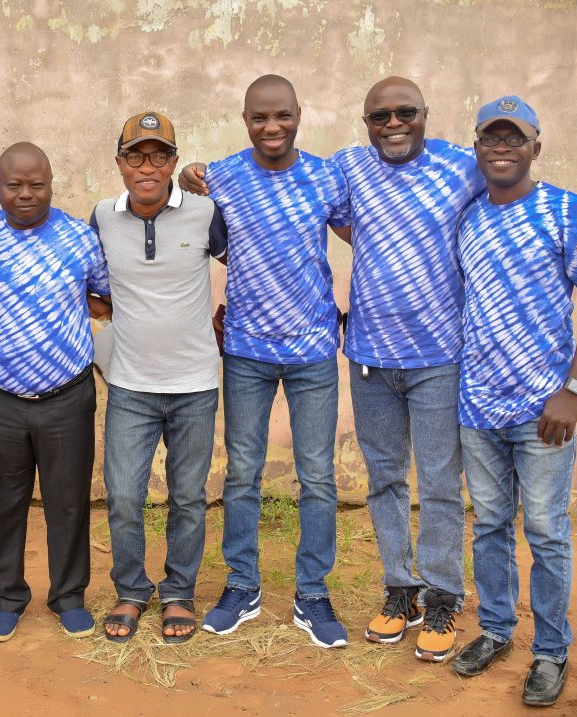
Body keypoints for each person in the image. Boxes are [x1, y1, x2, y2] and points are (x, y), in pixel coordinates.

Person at [182, 77, 577, 660]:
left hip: (439, 358)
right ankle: (399, 590)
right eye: (380, 116)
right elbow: (266, 206)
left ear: (425, 114)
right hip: (368, 356)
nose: (393, 124)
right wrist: (191, 174)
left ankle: (442, 597)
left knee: (438, 486)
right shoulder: (346, 168)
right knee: (384, 483)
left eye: (405, 113)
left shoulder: (464, 164)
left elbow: (524, 183)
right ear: (365, 123)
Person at [450, 96, 577, 707]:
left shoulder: (568, 212)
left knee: (546, 532)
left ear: (535, 148)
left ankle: (550, 650)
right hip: (477, 405)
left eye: (514, 139)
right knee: (490, 525)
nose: (502, 149)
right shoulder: (467, 217)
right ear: (477, 149)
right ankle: (496, 630)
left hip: (543, 409)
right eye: (491, 139)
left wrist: (572, 391)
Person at [179, 75, 352, 647]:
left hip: (313, 351)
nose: (271, 127)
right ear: (245, 120)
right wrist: (185, 180)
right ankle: (242, 585)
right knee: (242, 473)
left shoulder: (326, 176)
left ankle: (313, 593)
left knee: (318, 476)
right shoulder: (221, 177)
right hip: (246, 351)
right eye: (260, 117)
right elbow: (193, 225)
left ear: (299, 114)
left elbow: (367, 235)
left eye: (282, 116)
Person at [0, 142, 111, 642]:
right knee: (4, 503)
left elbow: (105, 296)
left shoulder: (80, 238)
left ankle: (69, 596)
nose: (25, 194)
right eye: (14, 185)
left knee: (69, 502)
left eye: (36, 184)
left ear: (51, 184)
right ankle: (6, 598)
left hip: (67, 396)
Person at [90, 111, 227, 643]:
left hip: (195, 384)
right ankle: (131, 589)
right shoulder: (102, 217)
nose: (147, 167)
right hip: (130, 385)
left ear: (173, 162)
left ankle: (178, 593)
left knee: (188, 497)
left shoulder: (205, 212)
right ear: (119, 163)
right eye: (135, 156)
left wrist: (229, 319)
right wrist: (109, 323)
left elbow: (245, 264)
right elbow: (85, 282)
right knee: (124, 495)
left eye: (159, 156)